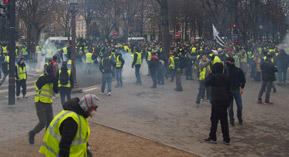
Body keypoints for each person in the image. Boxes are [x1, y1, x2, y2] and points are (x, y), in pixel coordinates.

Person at [29, 65, 58, 144]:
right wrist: (51, 78)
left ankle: (47, 139)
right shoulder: (42, 77)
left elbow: (56, 90)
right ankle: (32, 133)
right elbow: (39, 84)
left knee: (50, 122)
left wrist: (55, 81)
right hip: (40, 102)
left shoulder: (53, 79)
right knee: (42, 122)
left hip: (48, 102)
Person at [204, 62, 231, 145]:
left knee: (214, 120)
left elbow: (206, 83)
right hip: (224, 101)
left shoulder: (213, 77)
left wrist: (210, 74)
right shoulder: (226, 77)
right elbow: (229, 90)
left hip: (216, 101)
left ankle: (213, 137)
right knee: (224, 121)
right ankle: (226, 139)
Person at [225, 57, 246, 126]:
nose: (227, 63)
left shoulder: (238, 70)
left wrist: (242, 88)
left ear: (232, 62)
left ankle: (239, 117)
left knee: (240, 106)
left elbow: (243, 80)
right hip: (228, 91)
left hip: (237, 90)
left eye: (228, 61)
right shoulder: (226, 70)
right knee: (230, 107)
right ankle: (232, 120)